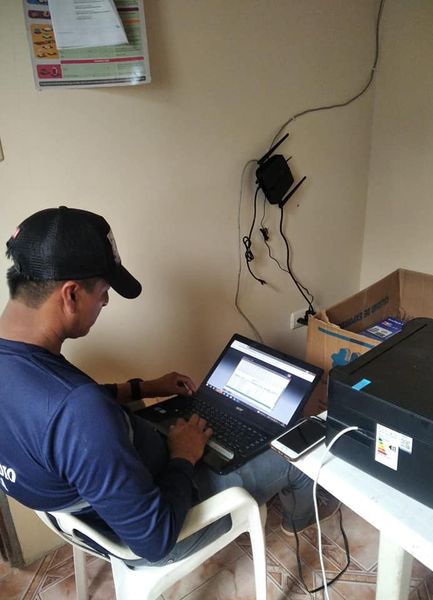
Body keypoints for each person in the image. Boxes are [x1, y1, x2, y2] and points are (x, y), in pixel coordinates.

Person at [0, 206, 335, 565]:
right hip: (159, 528)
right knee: (298, 450)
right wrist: (183, 456)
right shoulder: (78, 410)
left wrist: (145, 388)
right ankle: (300, 521)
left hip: (97, 512)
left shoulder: (30, 372)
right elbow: (155, 541)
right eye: (103, 291)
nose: (106, 301)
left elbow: (66, 413)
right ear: (70, 295)